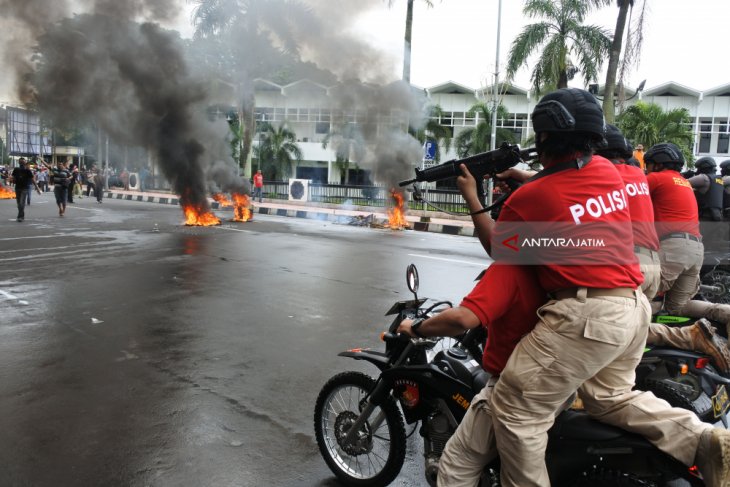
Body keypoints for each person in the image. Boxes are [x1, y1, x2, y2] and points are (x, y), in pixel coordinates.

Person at [477, 88, 728, 487]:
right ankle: (702, 437)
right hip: (637, 288)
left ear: (543, 138)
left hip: (592, 306)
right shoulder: (615, 174)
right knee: (611, 397)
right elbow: (572, 184)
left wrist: (474, 199)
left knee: (515, 409)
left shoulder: (534, 196)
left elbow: (501, 247)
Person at [396, 264, 546, 485]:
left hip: (514, 387)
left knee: (455, 466)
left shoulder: (512, 265)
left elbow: (462, 319)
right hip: (551, 382)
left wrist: (417, 327)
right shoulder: (554, 272)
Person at [598, 126, 730, 373]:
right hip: (695, 248)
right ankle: (725, 313)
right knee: (678, 306)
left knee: (631, 305)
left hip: (672, 247)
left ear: (657, 164)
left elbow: (623, 188)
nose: (646, 169)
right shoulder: (682, 182)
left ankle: (632, 357)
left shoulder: (658, 178)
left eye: (648, 165)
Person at [689, 156, 726, 252]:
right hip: (717, 217)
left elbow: (683, 183)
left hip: (704, 217)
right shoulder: (720, 180)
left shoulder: (704, 178)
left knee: (698, 245)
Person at [9, 158, 41, 222]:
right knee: (19, 203)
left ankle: (20, 216)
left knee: (21, 202)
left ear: (25, 163)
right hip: (17, 188)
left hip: (25, 188)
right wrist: (11, 180)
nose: (22, 163)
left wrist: (37, 188)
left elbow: (33, 179)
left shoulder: (27, 170)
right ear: (19, 163)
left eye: (23, 161)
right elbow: (12, 178)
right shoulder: (16, 169)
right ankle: (22, 215)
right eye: (20, 162)